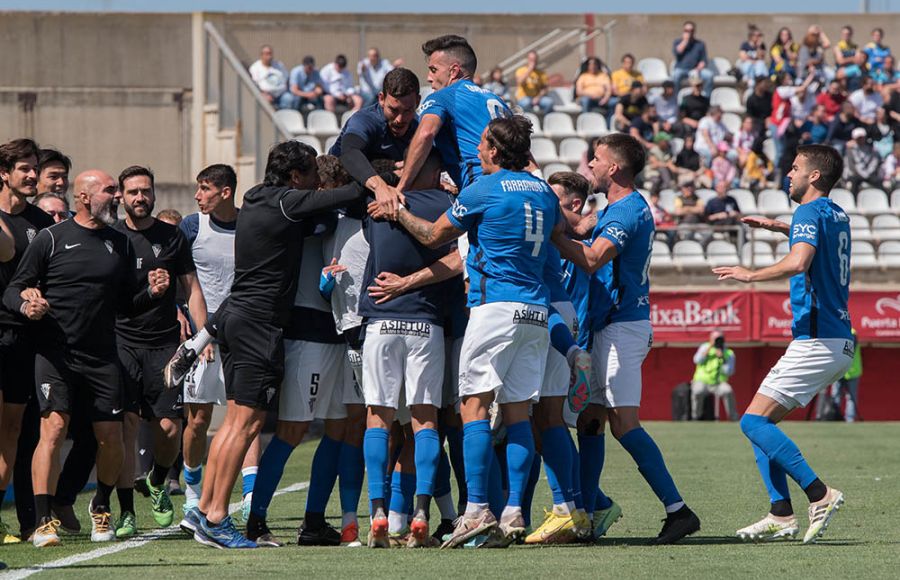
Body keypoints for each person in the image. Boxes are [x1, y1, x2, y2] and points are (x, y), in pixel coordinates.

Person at [183, 141, 372, 550]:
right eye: (309, 177)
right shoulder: (286, 201)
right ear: (294, 177)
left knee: (234, 424)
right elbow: (355, 192)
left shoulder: (258, 200)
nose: (314, 185)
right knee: (247, 425)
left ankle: (206, 511)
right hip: (259, 324)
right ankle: (217, 518)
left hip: (239, 319)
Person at [385, 116, 562, 549]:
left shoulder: (483, 188)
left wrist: (398, 209)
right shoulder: (543, 190)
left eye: (481, 145)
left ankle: (476, 509)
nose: (476, 151)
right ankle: (514, 511)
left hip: (495, 307)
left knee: (474, 408)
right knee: (519, 412)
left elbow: (431, 235)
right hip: (536, 310)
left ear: (495, 152)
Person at [5, 169, 170, 548]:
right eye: (110, 190)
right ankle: (43, 520)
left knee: (111, 439)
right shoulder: (50, 238)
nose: (116, 196)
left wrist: (152, 294)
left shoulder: (120, 243)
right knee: (54, 429)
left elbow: (127, 303)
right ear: (83, 197)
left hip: (102, 356)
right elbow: (15, 288)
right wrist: (25, 305)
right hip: (55, 354)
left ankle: (101, 505)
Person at [551, 133, 701, 544]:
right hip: (611, 326)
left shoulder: (625, 213)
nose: (591, 167)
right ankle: (587, 510)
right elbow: (581, 226)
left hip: (623, 327)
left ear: (613, 167)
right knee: (591, 419)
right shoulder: (618, 208)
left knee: (623, 422)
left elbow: (593, 257)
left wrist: (550, 238)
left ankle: (678, 510)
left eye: (596, 160)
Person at [714, 145, 851, 544]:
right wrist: (779, 227)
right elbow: (816, 242)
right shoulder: (835, 212)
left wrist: (749, 274)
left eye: (794, 168)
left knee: (752, 422)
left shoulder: (807, 212)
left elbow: (798, 262)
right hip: (835, 337)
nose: (787, 174)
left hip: (817, 337)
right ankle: (781, 514)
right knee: (761, 424)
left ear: (814, 176)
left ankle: (819, 493)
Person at [360, 153, 463, 548]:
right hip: (427, 322)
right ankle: (421, 513)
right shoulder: (449, 206)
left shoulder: (379, 203)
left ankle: (379, 514)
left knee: (378, 419)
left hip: (382, 319)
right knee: (425, 421)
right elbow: (459, 259)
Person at [110, 166, 207, 538]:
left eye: (145, 191)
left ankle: (158, 480)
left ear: (153, 195)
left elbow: (192, 287)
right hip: (122, 342)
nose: (140, 197)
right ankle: (126, 512)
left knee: (169, 428)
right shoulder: (112, 237)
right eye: (132, 191)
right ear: (121, 196)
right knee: (127, 426)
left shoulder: (171, 236)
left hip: (165, 344)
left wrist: (201, 337)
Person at [176, 164, 263, 536]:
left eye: (205, 188)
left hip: (244, 332)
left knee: (246, 415)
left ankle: (248, 500)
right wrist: (200, 335)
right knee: (197, 421)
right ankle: (193, 494)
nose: (198, 195)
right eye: (198, 188)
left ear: (226, 192)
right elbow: (189, 283)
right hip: (204, 335)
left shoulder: (251, 226)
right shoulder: (192, 227)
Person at [392, 35, 510, 205]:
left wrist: (401, 188)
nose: (428, 77)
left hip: (481, 190)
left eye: (433, 70)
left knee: (433, 232)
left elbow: (425, 135)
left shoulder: (443, 96)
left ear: (454, 71)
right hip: (517, 187)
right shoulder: (498, 101)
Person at [0, 139, 46, 544]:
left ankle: (27, 519)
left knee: (16, 431)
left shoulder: (42, 225)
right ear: (4, 174)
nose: (33, 175)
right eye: (24, 169)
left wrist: (37, 296)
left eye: (35, 168)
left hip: (24, 337)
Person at [690, 331, 738, 421]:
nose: (717, 341)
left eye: (719, 339)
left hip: (718, 383)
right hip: (702, 381)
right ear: (710, 339)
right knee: (697, 391)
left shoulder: (728, 353)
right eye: (715, 339)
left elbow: (730, 371)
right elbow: (696, 360)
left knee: (728, 391)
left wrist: (722, 358)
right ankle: (695, 417)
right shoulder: (705, 347)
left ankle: (733, 418)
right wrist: (709, 348)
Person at [672, 21, 713, 97]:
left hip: (695, 70)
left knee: (709, 75)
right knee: (675, 75)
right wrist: (685, 41)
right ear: (683, 31)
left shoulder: (700, 44)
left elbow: (704, 60)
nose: (689, 33)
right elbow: (677, 52)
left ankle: (706, 99)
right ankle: (675, 99)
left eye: (691, 31)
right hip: (681, 69)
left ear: (694, 31)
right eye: (686, 31)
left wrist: (700, 66)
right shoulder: (677, 42)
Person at [829, 329, 862, 423]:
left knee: (846, 396)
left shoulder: (851, 333)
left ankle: (849, 419)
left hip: (849, 371)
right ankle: (834, 417)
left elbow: (848, 352)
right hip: (842, 371)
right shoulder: (849, 332)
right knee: (837, 395)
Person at [248, 45, 291, 110]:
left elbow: (287, 78)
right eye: (267, 54)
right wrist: (263, 94)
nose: (269, 56)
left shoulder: (279, 65)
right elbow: (254, 84)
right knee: (265, 101)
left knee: (289, 98)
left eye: (270, 53)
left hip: (281, 94)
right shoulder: (255, 67)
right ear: (261, 55)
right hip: (266, 95)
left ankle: (283, 118)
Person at [844, 127, 880, 194]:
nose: (860, 139)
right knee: (853, 182)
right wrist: (861, 174)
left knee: (878, 181)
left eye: (862, 137)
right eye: (858, 138)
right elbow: (851, 166)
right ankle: (853, 201)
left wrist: (867, 173)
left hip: (869, 174)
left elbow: (874, 163)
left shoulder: (872, 149)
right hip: (856, 175)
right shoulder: (850, 150)